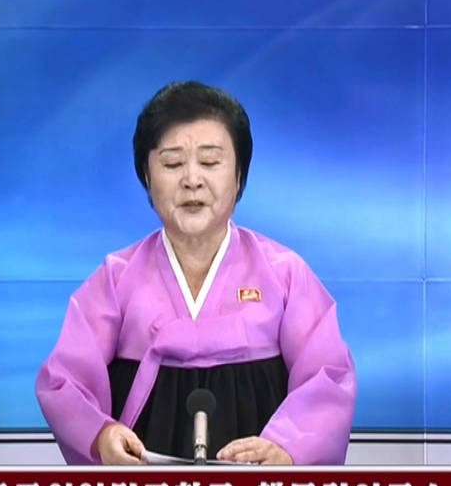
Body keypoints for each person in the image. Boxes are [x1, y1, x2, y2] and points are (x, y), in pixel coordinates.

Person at [36, 81, 356, 465]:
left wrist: (288, 448)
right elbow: (64, 381)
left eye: (210, 162)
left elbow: (329, 376)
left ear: (239, 176)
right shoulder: (116, 279)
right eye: (172, 164)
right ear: (146, 177)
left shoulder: (285, 275)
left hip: (257, 484)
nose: (191, 179)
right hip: (144, 482)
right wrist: (102, 435)